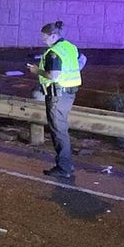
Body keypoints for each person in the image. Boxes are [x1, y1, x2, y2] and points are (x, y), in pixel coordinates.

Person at [26, 20, 83, 179]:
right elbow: (82, 60)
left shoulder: (54, 52)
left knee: (59, 131)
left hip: (58, 95)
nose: (43, 40)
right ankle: (66, 164)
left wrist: (36, 70)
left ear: (53, 36)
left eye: (45, 38)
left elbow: (53, 75)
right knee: (61, 129)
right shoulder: (70, 47)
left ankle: (64, 167)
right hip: (69, 93)